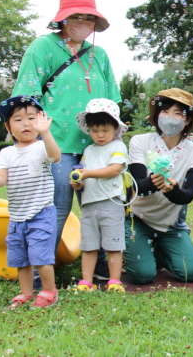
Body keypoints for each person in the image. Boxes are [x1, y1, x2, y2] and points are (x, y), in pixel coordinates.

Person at [11, 0, 121, 257]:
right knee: (57, 206)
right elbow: (26, 96)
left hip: (97, 145)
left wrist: (116, 144)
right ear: (63, 19)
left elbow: (114, 101)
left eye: (89, 18)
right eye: (77, 17)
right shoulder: (43, 47)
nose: (83, 23)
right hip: (57, 144)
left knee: (100, 207)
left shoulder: (100, 55)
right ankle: (41, 269)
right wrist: (32, 138)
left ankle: (102, 269)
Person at [0, 96, 61, 308]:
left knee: (41, 257)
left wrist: (46, 133)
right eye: (18, 119)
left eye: (32, 118)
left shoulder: (41, 147)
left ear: (40, 122)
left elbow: (55, 156)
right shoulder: (6, 153)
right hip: (18, 217)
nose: (26, 124)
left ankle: (49, 291)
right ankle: (26, 292)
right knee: (21, 259)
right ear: (8, 126)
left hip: (41, 213)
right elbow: (1, 180)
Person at [125, 89, 193, 284]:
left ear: (187, 121)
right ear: (156, 116)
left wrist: (173, 190)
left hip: (171, 225)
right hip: (138, 219)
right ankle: (134, 244)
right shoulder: (140, 142)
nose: (171, 118)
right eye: (165, 111)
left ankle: (160, 250)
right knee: (142, 275)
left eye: (178, 113)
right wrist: (153, 183)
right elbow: (136, 187)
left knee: (190, 273)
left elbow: (187, 195)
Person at [70, 99, 128, 292]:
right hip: (89, 204)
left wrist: (87, 174)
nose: (100, 135)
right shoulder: (88, 150)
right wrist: (78, 182)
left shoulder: (118, 147)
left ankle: (114, 281)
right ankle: (86, 281)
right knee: (89, 245)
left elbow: (114, 170)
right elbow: (83, 176)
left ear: (115, 129)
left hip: (111, 202)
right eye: (95, 131)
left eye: (105, 130)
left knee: (113, 244)